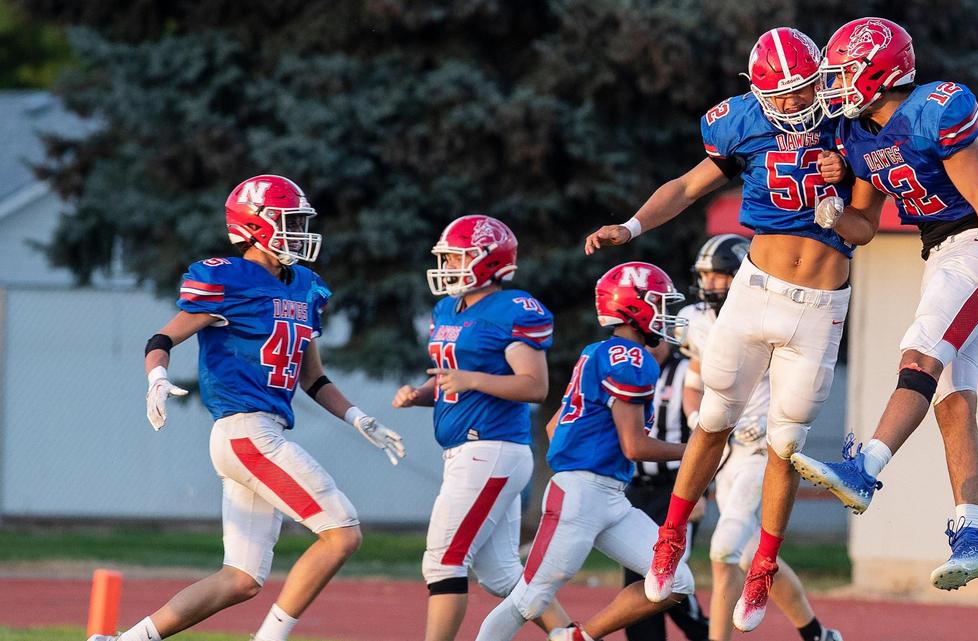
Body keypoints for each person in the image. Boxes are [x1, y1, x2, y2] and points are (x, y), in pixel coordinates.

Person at [584, 27, 852, 632]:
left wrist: (846, 175)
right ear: (757, 90)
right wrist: (629, 228)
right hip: (756, 288)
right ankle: (670, 537)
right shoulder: (739, 123)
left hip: (821, 302)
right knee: (712, 419)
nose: (792, 103)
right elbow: (685, 186)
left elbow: (870, 212)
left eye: (803, 88)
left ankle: (764, 565)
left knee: (789, 443)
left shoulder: (849, 118)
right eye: (779, 95)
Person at [89, 175, 406, 641]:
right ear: (255, 226)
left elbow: (312, 377)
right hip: (245, 432)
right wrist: (156, 376)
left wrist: (358, 417)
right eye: (290, 221)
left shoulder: (305, 286)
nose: (300, 231)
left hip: (262, 434)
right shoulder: (227, 278)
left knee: (240, 579)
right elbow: (163, 338)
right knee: (343, 533)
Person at [789, 17, 978, 592]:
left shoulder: (935, 110)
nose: (834, 85)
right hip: (940, 256)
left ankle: (864, 470)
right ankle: (973, 536)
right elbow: (865, 225)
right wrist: (828, 209)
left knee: (919, 353)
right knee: (953, 401)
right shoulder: (856, 136)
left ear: (878, 70)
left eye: (843, 73)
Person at [475, 261, 695, 641]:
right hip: (583, 495)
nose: (666, 314)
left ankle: (577, 637)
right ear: (634, 306)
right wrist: (696, 451)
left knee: (675, 580)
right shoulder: (632, 357)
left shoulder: (599, 351)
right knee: (529, 600)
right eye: (659, 303)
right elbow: (634, 445)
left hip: (606, 495)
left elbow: (553, 426)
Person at [391, 214, 570, 641]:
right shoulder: (446, 308)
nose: (448, 266)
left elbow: (534, 386)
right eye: (446, 258)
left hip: (491, 448)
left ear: (487, 260)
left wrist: (470, 380)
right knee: (502, 574)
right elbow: (454, 378)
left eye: (456, 257)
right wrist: (422, 393)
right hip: (469, 451)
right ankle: (569, 635)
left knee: (443, 561)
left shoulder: (511, 309)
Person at [684, 235, 842, 641]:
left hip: (760, 448)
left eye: (720, 274)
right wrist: (695, 420)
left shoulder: (771, 315)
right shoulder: (702, 320)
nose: (712, 283)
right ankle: (815, 633)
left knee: (725, 548)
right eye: (707, 275)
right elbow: (695, 380)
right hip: (727, 452)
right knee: (749, 553)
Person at [622, 337, 709, 641]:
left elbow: (710, 437)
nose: (648, 341)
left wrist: (702, 490)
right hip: (635, 489)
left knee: (668, 576)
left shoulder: (687, 371)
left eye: (655, 332)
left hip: (676, 487)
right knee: (636, 577)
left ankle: (704, 633)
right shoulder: (626, 366)